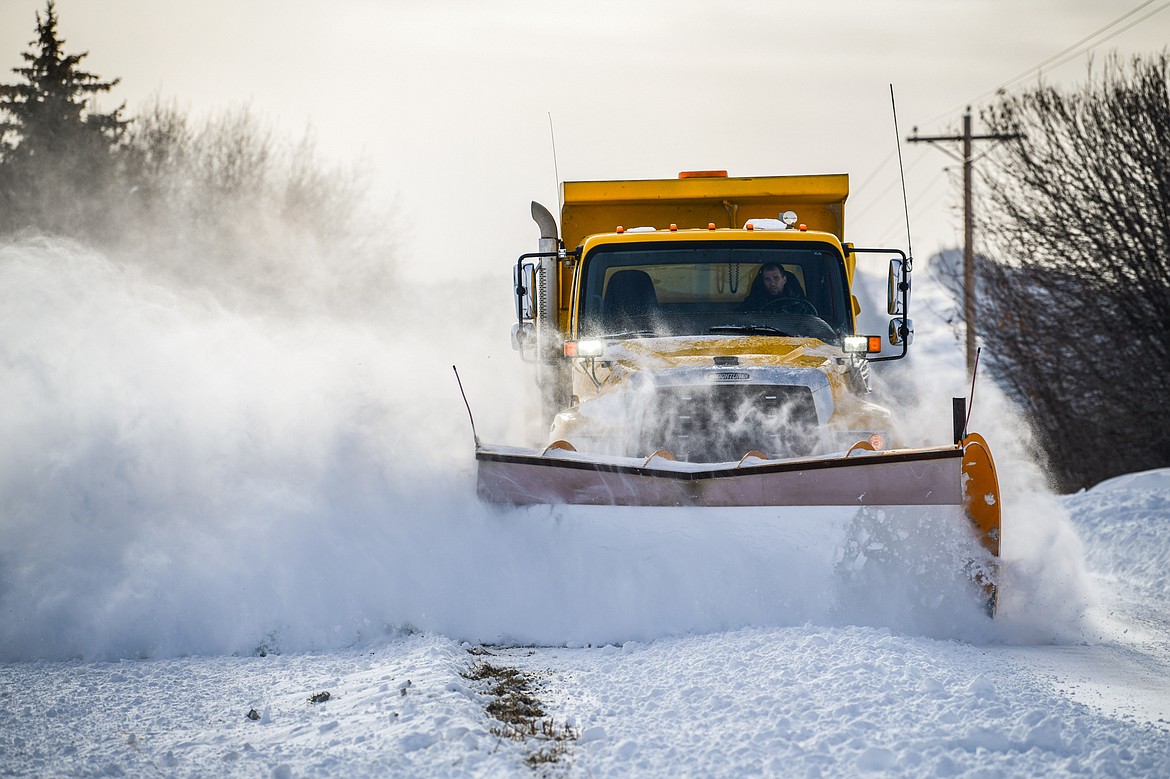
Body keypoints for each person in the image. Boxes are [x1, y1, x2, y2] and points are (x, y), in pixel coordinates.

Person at [742, 263, 811, 311]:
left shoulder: (799, 304)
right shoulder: (752, 304)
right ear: (763, 282)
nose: (772, 283)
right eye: (767, 279)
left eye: (776, 278)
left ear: (784, 280)